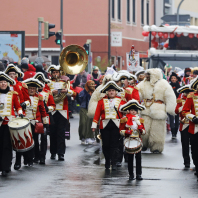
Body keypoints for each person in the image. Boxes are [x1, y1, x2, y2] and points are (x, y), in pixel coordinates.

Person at [137, 68, 176, 153]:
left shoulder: (164, 84)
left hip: (159, 109)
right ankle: (144, 144)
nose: (146, 76)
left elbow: (170, 96)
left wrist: (171, 109)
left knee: (157, 129)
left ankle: (156, 147)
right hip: (146, 108)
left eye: (148, 75)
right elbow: (137, 94)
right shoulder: (142, 84)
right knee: (144, 127)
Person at [14, 78, 49, 169]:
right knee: (22, 141)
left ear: (36, 89)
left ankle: (32, 158)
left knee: (34, 141)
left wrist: (45, 122)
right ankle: (21, 160)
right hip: (23, 122)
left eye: (34, 88)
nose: (32, 90)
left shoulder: (39, 98)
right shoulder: (22, 97)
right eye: (30, 88)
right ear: (27, 89)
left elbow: (42, 110)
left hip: (35, 122)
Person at [91, 81, 126, 170]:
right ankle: (107, 160)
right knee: (105, 145)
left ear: (116, 92)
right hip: (105, 125)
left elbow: (125, 113)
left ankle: (113, 162)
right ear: (107, 92)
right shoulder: (101, 101)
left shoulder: (121, 101)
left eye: (113, 90)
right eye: (110, 90)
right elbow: (97, 114)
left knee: (115, 145)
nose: (111, 92)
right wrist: (94, 126)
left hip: (116, 125)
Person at [47, 65, 76, 161]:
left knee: (61, 133)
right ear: (51, 74)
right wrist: (52, 92)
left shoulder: (65, 82)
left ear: (60, 73)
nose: (55, 74)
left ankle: (61, 153)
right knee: (53, 132)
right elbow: (45, 93)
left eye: (57, 72)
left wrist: (66, 91)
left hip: (63, 111)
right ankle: (53, 152)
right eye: (54, 73)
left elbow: (74, 93)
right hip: (52, 111)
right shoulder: (48, 83)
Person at [0, 72, 24, 176]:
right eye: (1, 82)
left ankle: (6, 166)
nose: (3, 84)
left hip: (9, 123)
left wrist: (20, 113)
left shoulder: (13, 94)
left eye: (4, 82)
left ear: (8, 83)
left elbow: (18, 107)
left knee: (7, 145)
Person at [119, 100, 146, 180]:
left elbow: (144, 132)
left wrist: (141, 130)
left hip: (138, 140)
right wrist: (127, 132)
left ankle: (138, 174)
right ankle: (131, 174)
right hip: (129, 140)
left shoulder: (140, 120)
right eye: (132, 110)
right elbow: (120, 131)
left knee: (138, 158)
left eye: (135, 110)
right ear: (129, 111)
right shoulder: (125, 119)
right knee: (130, 159)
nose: (133, 112)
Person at [33, 72, 56, 164]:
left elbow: (53, 106)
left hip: (45, 118)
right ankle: (36, 155)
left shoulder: (48, 93)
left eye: (41, 81)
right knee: (34, 138)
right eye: (38, 81)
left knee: (43, 138)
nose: (40, 83)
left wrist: (48, 108)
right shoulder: (32, 93)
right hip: (35, 118)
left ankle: (42, 156)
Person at [182, 76, 198, 180]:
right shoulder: (191, 96)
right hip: (195, 128)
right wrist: (193, 118)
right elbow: (184, 111)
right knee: (196, 150)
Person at [175, 85, 194, 168]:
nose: (187, 93)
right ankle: (186, 162)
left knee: (194, 145)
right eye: (186, 92)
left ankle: (195, 161)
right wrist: (183, 107)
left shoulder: (194, 99)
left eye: (189, 92)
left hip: (193, 124)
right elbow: (176, 110)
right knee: (185, 145)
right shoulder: (180, 99)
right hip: (184, 124)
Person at [78, 80, 96, 144]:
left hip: (92, 109)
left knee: (90, 124)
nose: (92, 86)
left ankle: (90, 137)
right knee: (83, 123)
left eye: (93, 84)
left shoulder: (95, 92)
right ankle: (83, 137)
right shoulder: (83, 92)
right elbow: (79, 99)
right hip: (84, 109)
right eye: (90, 84)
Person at [169, 72, 181, 139]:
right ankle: (172, 132)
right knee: (171, 118)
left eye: (174, 78)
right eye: (172, 78)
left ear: (176, 79)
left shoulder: (179, 86)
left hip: (177, 104)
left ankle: (175, 132)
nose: (173, 79)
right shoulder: (168, 86)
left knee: (177, 118)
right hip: (170, 104)